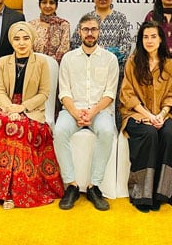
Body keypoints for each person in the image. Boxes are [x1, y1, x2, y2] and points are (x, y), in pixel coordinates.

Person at [0, 22, 64, 209]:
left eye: (26, 38)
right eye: (17, 39)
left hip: (32, 110)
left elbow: (44, 94)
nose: (21, 43)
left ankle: (15, 192)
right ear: (11, 42)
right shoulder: (3, 62)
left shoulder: (42, 62)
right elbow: (0, 90)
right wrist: (9, 108)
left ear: (32, 40)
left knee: (17, 128)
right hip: (6, 106)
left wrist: (21, 108)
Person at [54, 14, 119, 211]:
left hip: (100, 110)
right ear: (79, 32)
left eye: (93, 29)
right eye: (86, 30)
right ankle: (72, 185)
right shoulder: (68, 58)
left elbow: (110, 93)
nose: (90, 33)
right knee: (59, 131)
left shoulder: (110, 59)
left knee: (107, 132)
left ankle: (94, 186)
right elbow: (64, 92)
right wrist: (75, 112)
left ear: (99, 32)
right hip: (72, 109)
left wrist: (92, 112)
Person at [119, 21, 172, 213]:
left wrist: (160, 115)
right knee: (149, 134)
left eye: (153, 36)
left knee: (169, 134)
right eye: (145, 37)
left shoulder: (170, 64)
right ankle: (141, 194)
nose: (149, 40)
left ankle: (162, 192)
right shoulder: (133, 61)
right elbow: (127, 94)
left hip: (163, 114)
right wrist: (147, 115)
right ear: (140, 40)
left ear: (161, 39)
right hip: (136, 113)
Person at [70, 0, 131, 72]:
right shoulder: (87, 18)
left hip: (113, 69)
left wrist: (103, 53)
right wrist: (91, 57)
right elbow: (75, 44)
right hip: (87, 70)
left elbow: (125, 48)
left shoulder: (120, 18)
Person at [28, 0, 70, 64]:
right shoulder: (31, 25)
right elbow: (28, 47)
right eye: (44, 2)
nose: (48, 6)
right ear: (39, 5)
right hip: (34, 65)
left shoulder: (63, 25)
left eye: (51, 3)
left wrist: (50, 63)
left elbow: (64, 49)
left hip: (56, 66)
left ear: (56, 6)